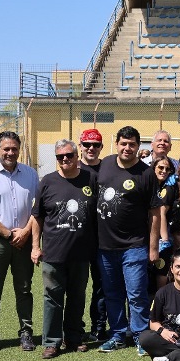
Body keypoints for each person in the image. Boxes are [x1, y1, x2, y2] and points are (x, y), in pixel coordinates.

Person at [96, 125, 161, 354]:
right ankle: (117, 335)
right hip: (104, 246)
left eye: (132, 144)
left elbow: (154, 213)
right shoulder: (104, 165)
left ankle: (140, 336)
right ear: (116, 144)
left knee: (136, 294)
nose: (127, 148)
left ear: (138, 146)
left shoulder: (146, 173)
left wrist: (153, 247)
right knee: (112, 294)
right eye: (123, 143)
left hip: (134, 246)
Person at [30, 139, 98, 358]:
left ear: (77, 156)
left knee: (77, 296)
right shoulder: (47, 182)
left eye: (69, 155)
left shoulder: (91, 179)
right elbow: (37, 216)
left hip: (81, 253)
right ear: (56, 159)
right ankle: (51, 341)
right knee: (52, 298)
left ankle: (74, 337)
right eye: (60, 157)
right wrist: (35, 246)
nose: (65, 160)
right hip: (53, 253)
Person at [0, 131, 39, 354]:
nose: (10, 152)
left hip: (24, 240)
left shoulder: (31, 174)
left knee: (24, 289)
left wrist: (25, 232)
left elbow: (36, 209)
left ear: (19, 149)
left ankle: (26, 332)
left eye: (14, 148)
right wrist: (9, 234)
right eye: (6, 149)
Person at [78, 128, 107, 340]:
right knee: (76, 287)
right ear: (80, 146)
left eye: (95, 145)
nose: (91, 148)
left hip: (103, 238)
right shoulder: (71, 167)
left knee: (101, 287)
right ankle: (74, 328)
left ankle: (98, 327)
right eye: (87, 144)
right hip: (76, 238)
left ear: (101, 147)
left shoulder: (108, 168)